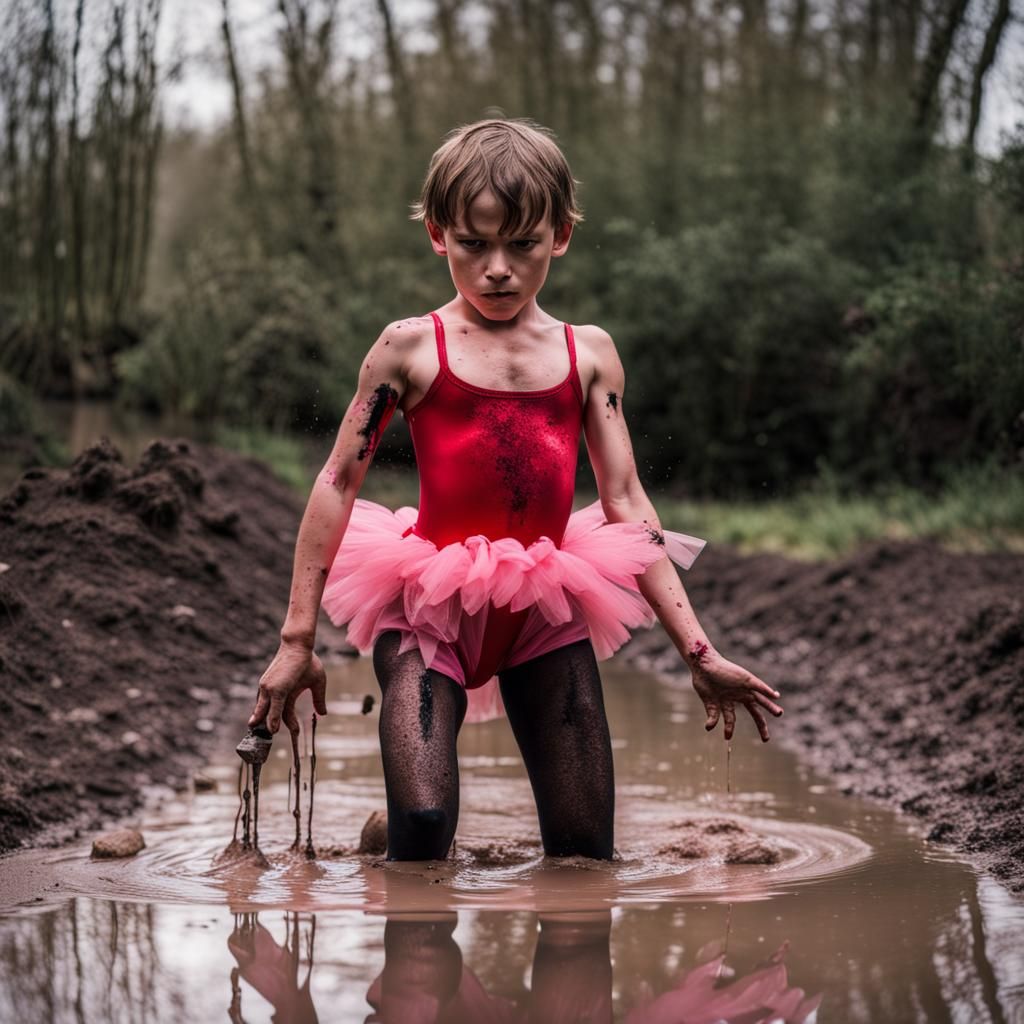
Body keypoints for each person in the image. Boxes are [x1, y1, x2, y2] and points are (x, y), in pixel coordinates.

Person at [247, 118, 783, 862]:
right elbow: (338, 480)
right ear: (439, 235)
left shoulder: (587, 354)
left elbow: (626, 501)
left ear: (559, 236)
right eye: (473, 244)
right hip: (426, 608)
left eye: (523, 245)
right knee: (428, 827)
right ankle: (410, 940)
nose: (497, 268)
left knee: (586, 851)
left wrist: (698, 651)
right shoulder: (408, 346)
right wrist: (296, 639)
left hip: (544, 609)